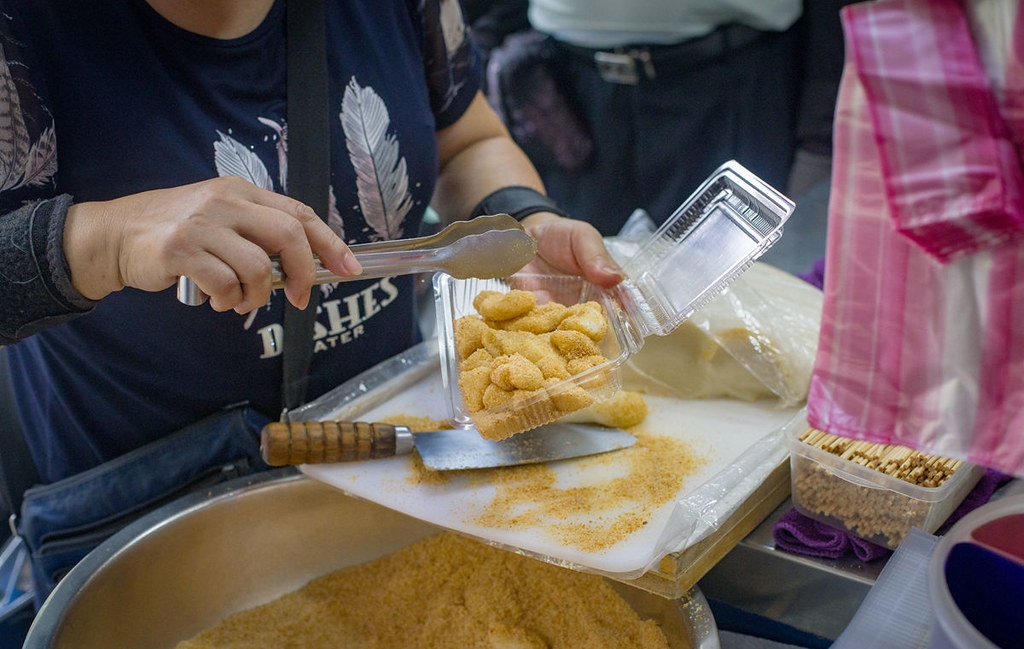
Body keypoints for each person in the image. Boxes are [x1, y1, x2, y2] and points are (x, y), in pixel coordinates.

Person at [0, 0, 623, 613]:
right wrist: (108, 240)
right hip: (156, 530)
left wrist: (523, 221)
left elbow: (466, 139)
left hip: (393, 457)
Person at [476, 0, 804, 236]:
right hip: (570, 91)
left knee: (735, 282)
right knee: (576, 280)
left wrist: (817, 139)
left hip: (731, 81)